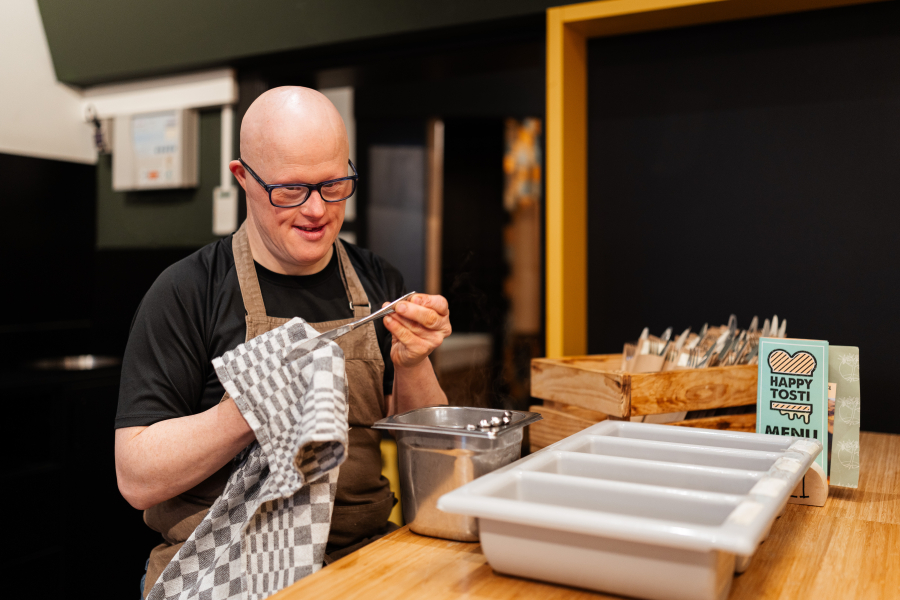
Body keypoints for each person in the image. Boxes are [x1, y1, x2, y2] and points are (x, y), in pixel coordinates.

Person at [114, 86, 451, 596]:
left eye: (334, 184)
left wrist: (413, 363)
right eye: (291, 190)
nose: (317, 210)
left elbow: (426, 450)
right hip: (222, 568)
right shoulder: (188, 291)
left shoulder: (376, 279)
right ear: (243, 178)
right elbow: (136, 477)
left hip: (359, 563)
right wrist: (250, 408)